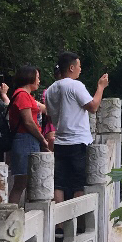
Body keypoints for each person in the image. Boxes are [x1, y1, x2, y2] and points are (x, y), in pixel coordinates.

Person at [44, 52, 108, 202]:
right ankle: (78, 223)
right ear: (71, 68)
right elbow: (93, 107)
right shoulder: (74, 85)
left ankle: (59, 224)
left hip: (59, 141)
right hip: (77, 141)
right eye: (79, 66)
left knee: (59, 183)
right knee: (78, 183)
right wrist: (101, 87)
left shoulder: (50, 90)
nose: (81, 69)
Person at [6, 65, 48, 204]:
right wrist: (42, 139)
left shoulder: (26, 95)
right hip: (25, 139)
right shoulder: (22, 95)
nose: (39, 81)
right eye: (37, 77)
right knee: (21, 182)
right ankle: (13, 212)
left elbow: (44, 109)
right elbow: (28, 122)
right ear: (29, 78)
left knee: (27, 181)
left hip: (29, 140)